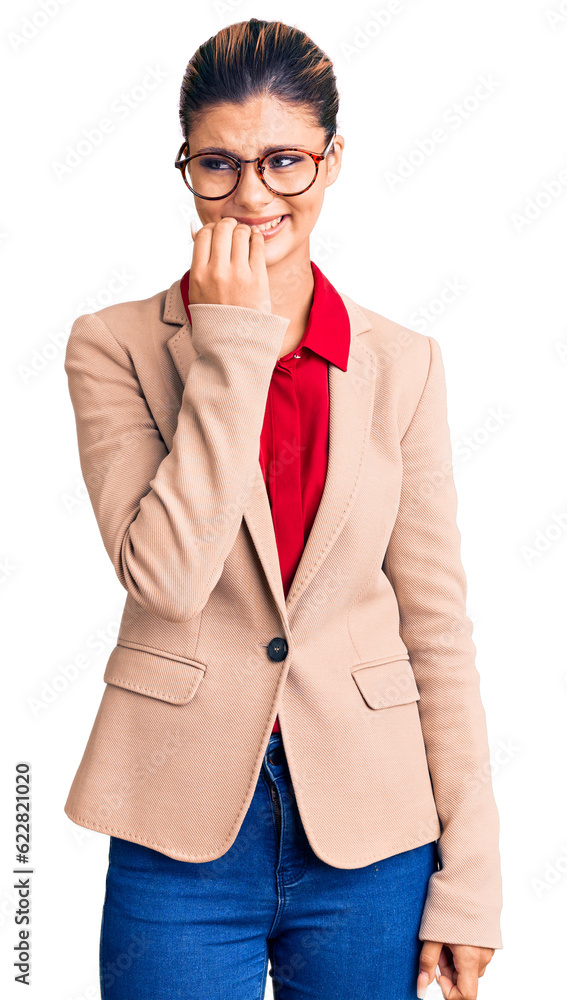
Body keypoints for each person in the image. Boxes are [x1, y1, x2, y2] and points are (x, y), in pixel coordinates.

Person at [63, 17, 503, 1000]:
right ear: (185, 167)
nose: (253, 195)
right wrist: (232, 348)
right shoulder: (115, 347)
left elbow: (437, 628)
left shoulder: (403, 364)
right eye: (218, 164)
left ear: (333, 159)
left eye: (285, 162)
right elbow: (169, 577)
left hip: (371, 836)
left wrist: (472, 877)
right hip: (177, 824)